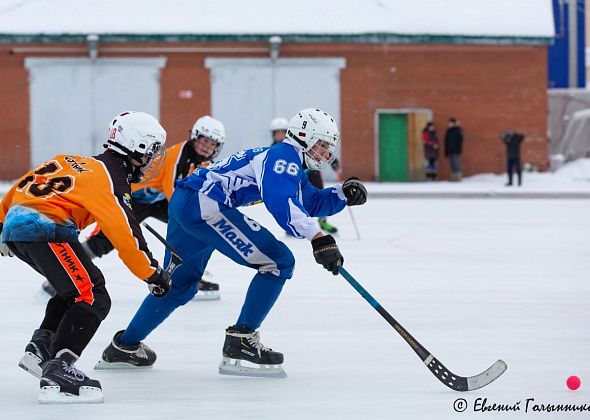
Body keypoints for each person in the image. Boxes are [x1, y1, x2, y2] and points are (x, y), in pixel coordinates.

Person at [95, 108, 368, 378]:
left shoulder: (287, 161)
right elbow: (280, 201)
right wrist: (318, 237)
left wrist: (342, 194)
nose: (324, 153)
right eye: (321, 145)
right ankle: (241, 340)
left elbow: (311, 202)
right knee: (278, 262)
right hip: (204, 205)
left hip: (188, 201)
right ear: (304, 136)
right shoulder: (284, 157)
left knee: (178, 286)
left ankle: (124, 346)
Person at [0, 111, 172, 403]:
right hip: (46, 229)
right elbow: (124, 232)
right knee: (94, 296)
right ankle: (60, 369)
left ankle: (41, 347)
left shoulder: (68, 160)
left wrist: (2, 223)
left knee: (75, 290)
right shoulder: (110, 179)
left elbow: (23, 184)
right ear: (138, 147)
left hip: (18, 229)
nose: (154, 159)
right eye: (153, 150)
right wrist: (152, 273)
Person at [74, 115, 225, 301]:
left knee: (195, 231)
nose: (206, 147)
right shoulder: (176, 155)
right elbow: (175, 194)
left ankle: (189, 276)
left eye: (212, 144)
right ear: (195, 136)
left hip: (158, 200)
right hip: (136, 196)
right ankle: (70, 269)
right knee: (106, 239)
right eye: (204, 141)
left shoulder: (205, 163)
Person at [271, 116, 340, 234]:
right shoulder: (274, 149)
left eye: (282, 132)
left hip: (312, 172)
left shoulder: (297, 142)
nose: (279, 135)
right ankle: (296, 221)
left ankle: (323, 221)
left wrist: (334, 162)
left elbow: (315, 148)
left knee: (319, 194)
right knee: (297, 198)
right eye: (276, 133)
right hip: (296, 177)